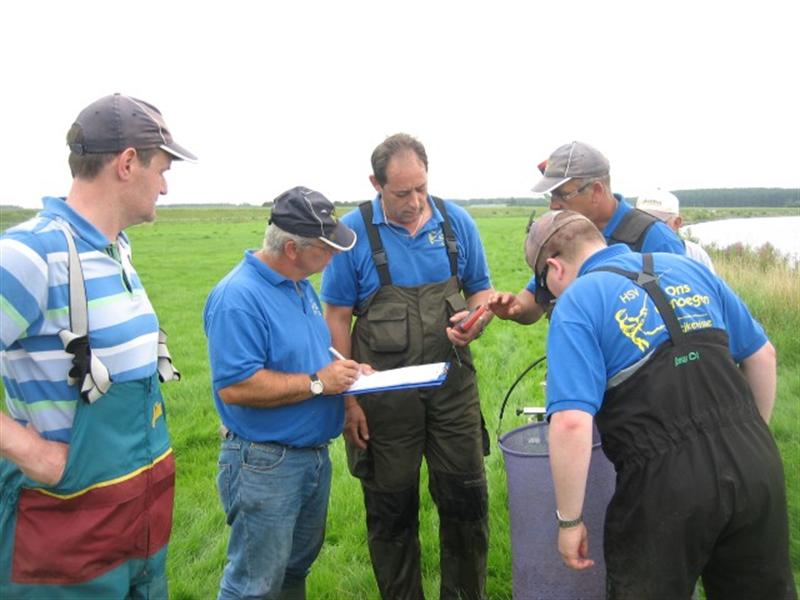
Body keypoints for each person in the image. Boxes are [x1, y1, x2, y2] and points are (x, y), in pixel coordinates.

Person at [526, 210, 795, 599]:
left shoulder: (578, 302)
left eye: (543, 286)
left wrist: (569, 521)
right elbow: (763, 356)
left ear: (553, 269)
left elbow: (570, 422)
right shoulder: (688, 268)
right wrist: (749, 439)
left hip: (662, 483)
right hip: (756, 463)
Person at [0, 93, 196, 598]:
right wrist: (31, 451)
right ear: (127, 163)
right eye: (162, 170)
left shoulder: (117, 247)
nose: (166, 187)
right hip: (67, 535)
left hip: (139, 526)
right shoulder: (31, 253)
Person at [321, 133, 494, 600]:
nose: (415, 202)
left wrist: (476, 320)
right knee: (391, 512)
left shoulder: (456, 223)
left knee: (466, 501)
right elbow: (336, 317)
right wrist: (349, 401)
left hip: (453, 391)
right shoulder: (352, 234)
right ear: (376, 183)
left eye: (421, 188)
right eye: (401, 192)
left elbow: (481, 290)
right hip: (383, 399)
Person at [204, 186, 369, 600]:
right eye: (326, 249)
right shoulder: (238, 298)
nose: (333, 258)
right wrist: (318, 382)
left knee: (294, 571)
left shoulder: (299, 284)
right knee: (254, 584)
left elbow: (311, 352)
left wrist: (348, 372)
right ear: (292, 248)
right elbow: (236, 386)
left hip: (309, 458)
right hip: (264, 463)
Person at [489, 141, 686, 325]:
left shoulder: (656, 239)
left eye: (562, 194)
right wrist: (516, 308)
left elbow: (685, 317)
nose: (553, 205)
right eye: (551, 196)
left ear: (596, 191)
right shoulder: (562, 236)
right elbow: (535, 300)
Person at [636, 188, 716, 272]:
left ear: (677, 223)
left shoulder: (696, 255)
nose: (648, 228)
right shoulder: (629, 254)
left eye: (657, 224)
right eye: (642, 222)